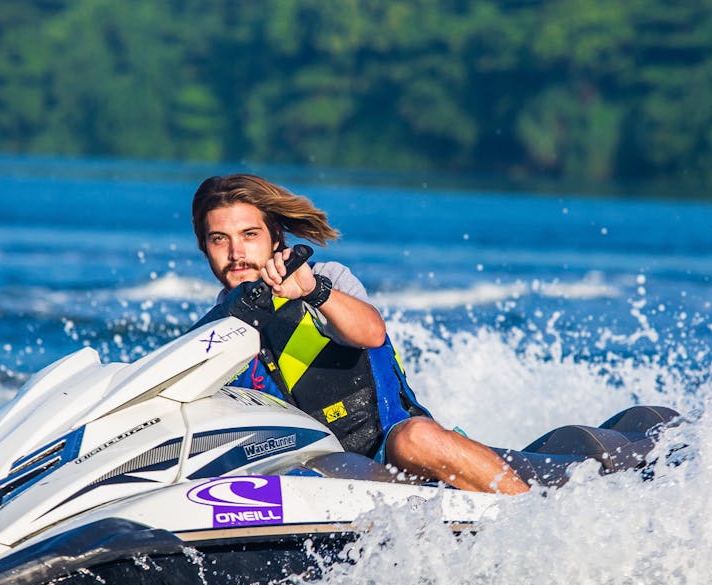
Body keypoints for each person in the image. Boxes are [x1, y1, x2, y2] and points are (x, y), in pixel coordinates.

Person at [191, 173, 529, 494]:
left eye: (250, 235)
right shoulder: (209, 336)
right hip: (310, 469)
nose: (236, 253)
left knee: (416, 439)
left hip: (391, 442)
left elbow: (371, 332)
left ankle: (531, 515)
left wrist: (313, 292)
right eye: (219, 239)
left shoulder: (326, 278)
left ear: (275, 237)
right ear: (205, 247)